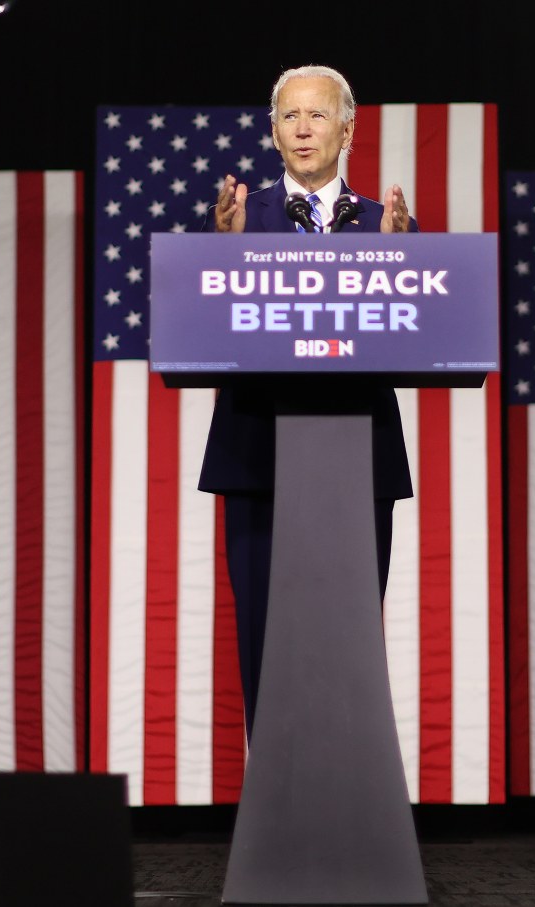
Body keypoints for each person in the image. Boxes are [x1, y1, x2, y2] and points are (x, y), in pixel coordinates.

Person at [197, 64, 418, 737]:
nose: (302, 128)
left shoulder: (386, 224)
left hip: (359, 459)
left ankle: (348, 804)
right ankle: (275, 805)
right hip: (257, 455)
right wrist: (223, 255)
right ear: (272, 131)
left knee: (346, 636)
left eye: (317, 115)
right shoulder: (239, 218)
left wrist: (400, 267)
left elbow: (415, 338)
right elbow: (202, 331)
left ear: (348, 129)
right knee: (264, 633)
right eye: (289, 116)